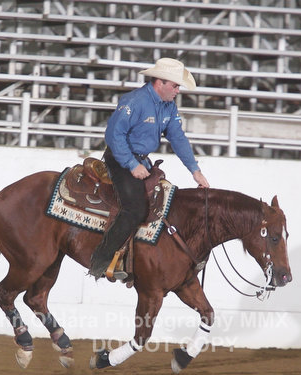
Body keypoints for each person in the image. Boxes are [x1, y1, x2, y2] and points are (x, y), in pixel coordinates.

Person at [89, 57, 210, 279]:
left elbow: (178, 138)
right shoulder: (135, 101)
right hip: (120, 158)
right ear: (160, 82)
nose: (177, 91)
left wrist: (195, 170)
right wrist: (131, 164)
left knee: (163, 204)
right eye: (175, 86)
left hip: (141, 161)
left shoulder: (168, 106)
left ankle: (140, 259)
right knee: (134, 208)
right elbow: (114, 135)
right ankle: (101, 261)